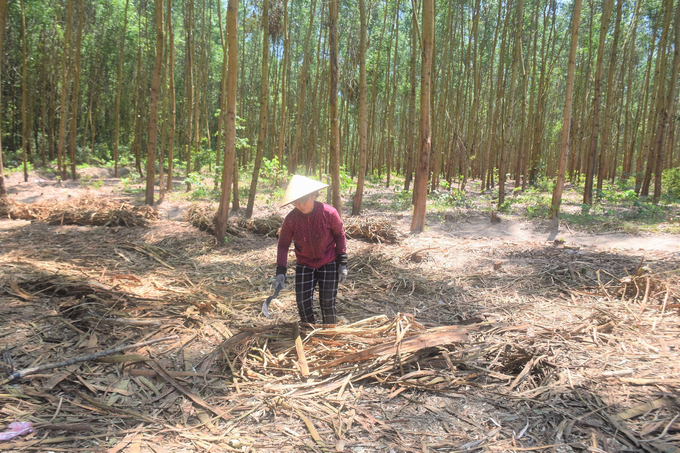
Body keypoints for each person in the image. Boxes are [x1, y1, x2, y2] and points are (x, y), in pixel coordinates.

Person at [275, 175, 348, 325]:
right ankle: (309, 333)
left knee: (327, 302)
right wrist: (281, 271)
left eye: (303, 202)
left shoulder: (329, 213)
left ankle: (330, 334)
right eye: (296, 203)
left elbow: (340, 235)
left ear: (313, 195)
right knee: (303, 303)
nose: (300, 206)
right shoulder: (291, 219)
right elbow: (283, 244)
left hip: (328, 261)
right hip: (305, 263)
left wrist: (342, 264)